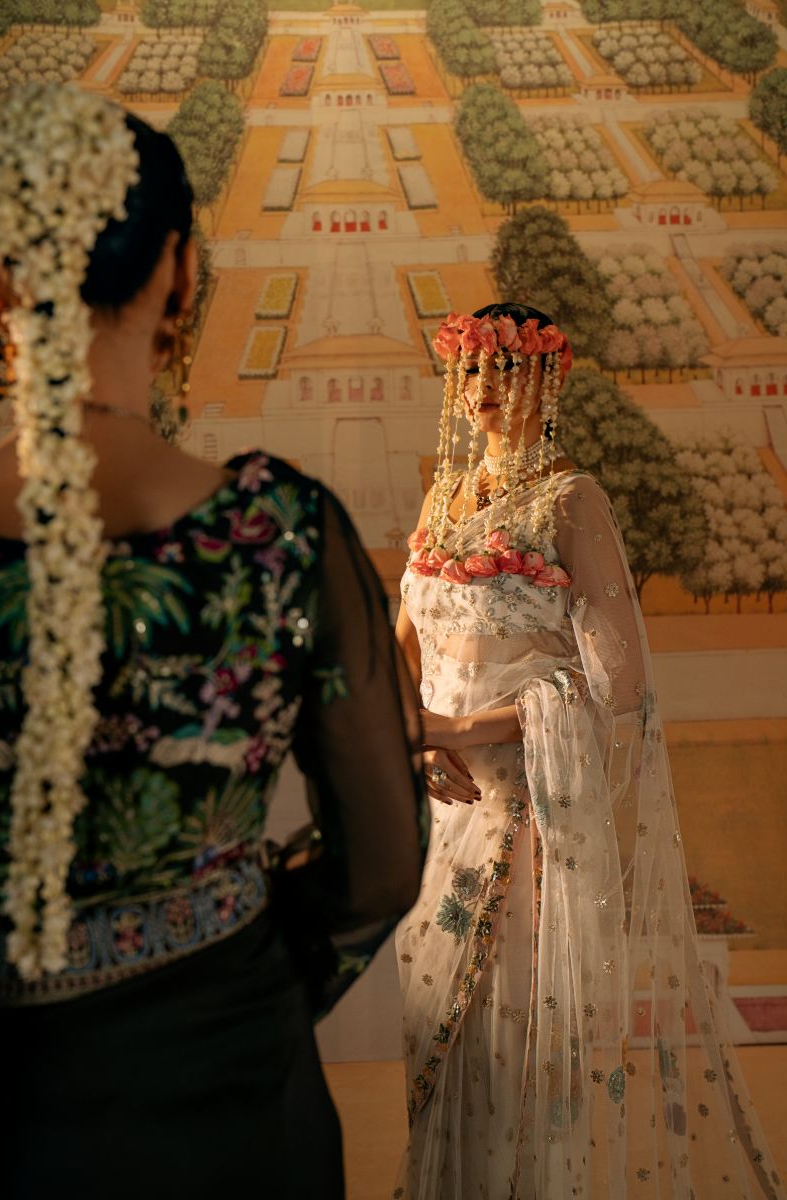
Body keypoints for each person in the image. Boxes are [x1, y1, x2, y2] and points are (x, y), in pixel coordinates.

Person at [0, 85, 427, 1199]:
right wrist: (244, 965)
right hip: (235, 1092)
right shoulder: (280, 533)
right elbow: (383, 862)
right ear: (182, 275)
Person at [393, 302, 784, 1199]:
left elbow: (615, 687)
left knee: (510, 1048)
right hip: (440, 817)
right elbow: (399, 643)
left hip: (526, 815)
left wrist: (458, 730)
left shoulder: (572, 501)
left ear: (550, 378)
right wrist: (418, 738)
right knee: (434, 1037)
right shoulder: (442, 497)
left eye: (506, 367)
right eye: (471, 369)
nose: (484, 387)